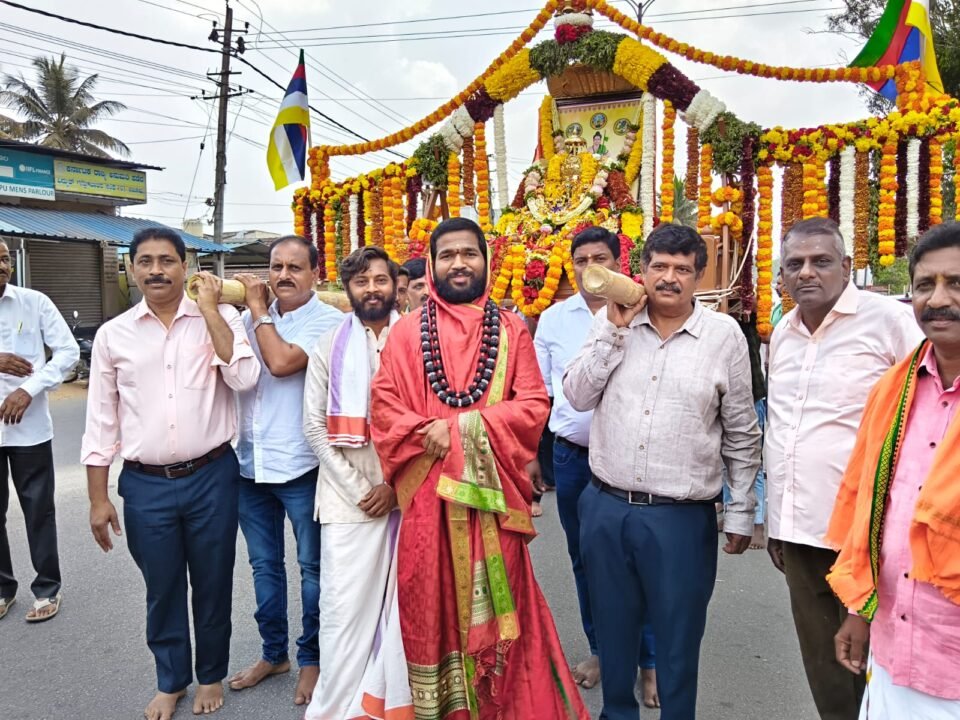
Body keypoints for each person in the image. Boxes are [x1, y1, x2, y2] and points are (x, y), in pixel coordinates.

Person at [370, 217, 589, 719]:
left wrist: (460, 428)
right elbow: (383, 408)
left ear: (486, 262)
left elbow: (533, 404)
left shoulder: (510, 330)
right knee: (428, 606)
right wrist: (432, 434)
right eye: (447, 254)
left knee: (502, 612)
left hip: (491, 504)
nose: (459, 263)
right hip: (427, 501)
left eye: (469, 253)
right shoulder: (406, 334)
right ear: (431, 265)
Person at [564, 222, 761, 720]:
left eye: (682, 269)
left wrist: (742, 511)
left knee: (678, 641)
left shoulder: (723, 336)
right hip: (606, 507)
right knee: (613, 633)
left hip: (681, 518)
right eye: (659, 266)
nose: (669, 278)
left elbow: (742, 431)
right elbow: (577, 396)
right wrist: (614, 331)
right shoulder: (611, 320)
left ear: (698, 277)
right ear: (642, 270)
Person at [82, 228, 260, 720]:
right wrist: (98, 499)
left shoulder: (220, 316)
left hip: (212, 476)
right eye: (145, 261)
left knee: (212, 583)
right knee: (162, 588)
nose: (156, 270)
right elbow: (101, 421)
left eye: (167, 261)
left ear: (186, 267)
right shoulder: (113, 335)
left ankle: (210, 675)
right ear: (131, 268)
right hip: (145, 484)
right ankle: (171, 680)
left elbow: (244, 377)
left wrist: (209, 311)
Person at [764, 218, 921, 720]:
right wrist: (776, 522)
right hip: (800, 532)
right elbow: (783, 429)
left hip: (871, 532)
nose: (806, 272)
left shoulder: (890, 321)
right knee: (824, 666)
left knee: (879, 663)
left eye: (821, 261)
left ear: (847, 266)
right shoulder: (783, 333)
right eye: (795, 264)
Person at [827, 222, 960, 719]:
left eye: (956, 283)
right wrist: (859, 611)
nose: (938, 299)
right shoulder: (894, 389)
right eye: (925, 285)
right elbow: (874, 511)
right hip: (894, 644)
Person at [532, 226, 658, 704]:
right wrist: (532, 456)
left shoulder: (645, 310)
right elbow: (542, 394)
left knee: (638, 562)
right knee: (585, 560)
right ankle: (602, 650)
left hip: (630, 459)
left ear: (618, 261)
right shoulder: (553, 320)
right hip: (572, 458)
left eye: (599, 257)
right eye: (581, 259)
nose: (590, 268)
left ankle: (649, 662)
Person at [227, 236, 342, 705]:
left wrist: (258, 311)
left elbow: (280, 363)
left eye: (295, 267)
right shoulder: (244, 320)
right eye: (276, 267)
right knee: (263, 567)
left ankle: (312, 659)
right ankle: (273, 654)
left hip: (302, 466)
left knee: (312, 569)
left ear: (316, 273)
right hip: (249, 464)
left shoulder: (329, 321)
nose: (284, 276)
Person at [303, 246, 412, 720]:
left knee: (404, 611)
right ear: (348, 288)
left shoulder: (416, 339)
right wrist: (362, 490)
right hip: (348, 503)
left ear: (396, 286)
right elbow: (313, 427)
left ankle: (389, 703)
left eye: (380, 280)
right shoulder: (329, 345)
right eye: (361, 281)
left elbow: (430, 421)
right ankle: (335, 708)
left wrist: (395, 487)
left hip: (409, 497)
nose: (372, 289)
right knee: (343, 612)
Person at [0, 241, 78, 623]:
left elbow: (67, 352)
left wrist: (28, 389)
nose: (1, 265)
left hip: (28, 428)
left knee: (38, 511)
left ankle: (47, 588)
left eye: (4, 258)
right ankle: (3, 590)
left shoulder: (34, 302)